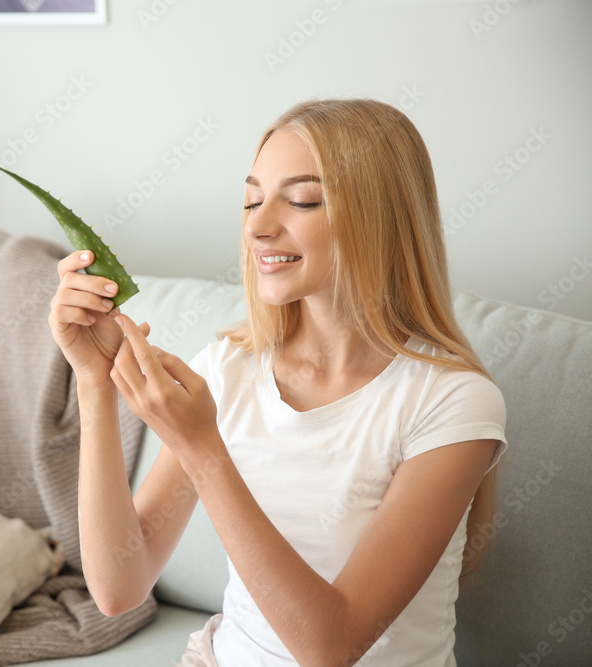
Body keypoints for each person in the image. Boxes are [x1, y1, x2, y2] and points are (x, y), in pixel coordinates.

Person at [47, 98, 507, 666]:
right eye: (252, 200)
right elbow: (119, 588)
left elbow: (332, 646)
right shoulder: (229, 368)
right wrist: (93, 385)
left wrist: (203, 449)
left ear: (380, 218)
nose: (259, 227)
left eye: (303, 200)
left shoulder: (452, 402)